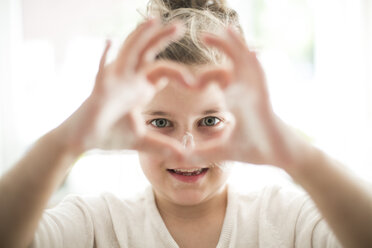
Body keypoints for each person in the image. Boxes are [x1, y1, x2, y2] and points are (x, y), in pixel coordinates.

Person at [0, 0, 371, 247]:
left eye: (210, 120)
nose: (188, 146)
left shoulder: (289, 220)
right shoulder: (97, 223)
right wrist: (67, 141)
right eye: (161, 122)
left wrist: (299, 157)